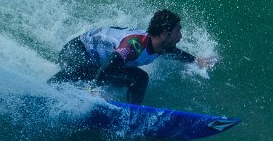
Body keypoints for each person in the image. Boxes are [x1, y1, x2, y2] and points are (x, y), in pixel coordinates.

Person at [49, 9, 217, 106]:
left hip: (97, 63)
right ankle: (48, 88)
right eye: (178, 31)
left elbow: (176, 53)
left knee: (140, 78)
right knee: (83, 69)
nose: (180, 36)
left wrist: (196, 60)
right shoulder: (134, 44)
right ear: (165, 33)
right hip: (76, 52)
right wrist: (94, 91)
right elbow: (110, 64)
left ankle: (132, 112)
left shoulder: (162, 46)